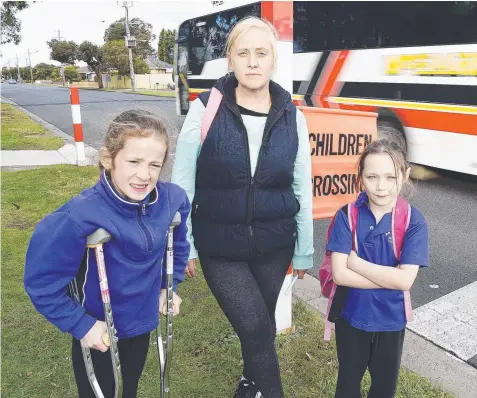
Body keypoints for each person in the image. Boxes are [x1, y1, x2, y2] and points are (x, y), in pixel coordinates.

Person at [171, 16, 314, 398]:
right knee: (254, 328)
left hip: (274, 242)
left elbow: (302, 184)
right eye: (244, 53)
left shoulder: (292, 115)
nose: (253, 62)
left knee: (261, 326)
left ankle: (250, 384)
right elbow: (182, 183)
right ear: (230, 60)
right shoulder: (205, 110)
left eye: (261, 53)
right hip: (220, 244)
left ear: (273, 61)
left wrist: (304, 250)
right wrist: (185, 243)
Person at [24, 110, 190, 398]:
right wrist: (81, 325)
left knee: (128, 390)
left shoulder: (171, 199)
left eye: (154, 164)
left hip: (141, 321)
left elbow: (178, 241)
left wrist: (169, 285)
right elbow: (42, 283)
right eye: (134, 161)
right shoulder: (79, 216)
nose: (144, 174)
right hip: (99, 329)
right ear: (107, 158)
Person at [326, 139, 430, 398]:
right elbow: (339, 274)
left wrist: (357, 263)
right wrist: (389, 278)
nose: (381, 186)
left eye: (390, 177)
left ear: (405, 175)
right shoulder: (346, 215)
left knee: (384, 388)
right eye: (372, 176)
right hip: (351, 316)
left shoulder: (413, 221)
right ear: (360, 177)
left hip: (391, 321)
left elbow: (405, 281)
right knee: (347, 386)